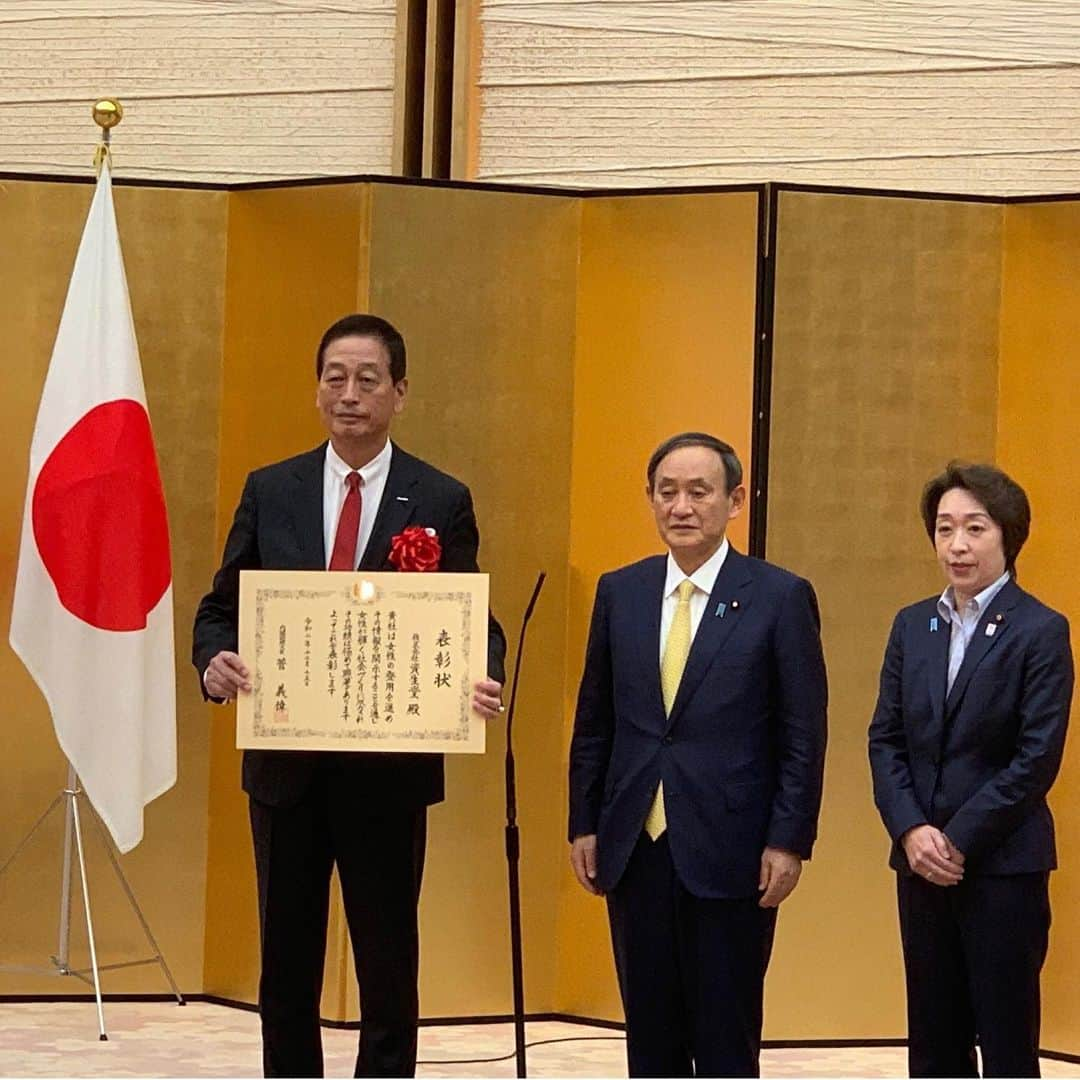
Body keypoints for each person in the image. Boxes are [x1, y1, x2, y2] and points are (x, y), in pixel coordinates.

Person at [192, 313, 507, 1078]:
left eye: (368, 379)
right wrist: (214, 662)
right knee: (286, 966)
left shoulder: (440, 496)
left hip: (387, 774)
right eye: (335, 377)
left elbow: (473, 617)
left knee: (389, 966)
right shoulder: (272, 489)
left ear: (400, 392)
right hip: (285, 772)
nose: (350, 394)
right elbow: (218, 608)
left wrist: (483, 671)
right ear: (317, 389)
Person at [567, 432, 828, 1078]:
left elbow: (802, 733)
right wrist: (585, 822)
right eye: (667, 492)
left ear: (735, 500)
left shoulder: (778, 596)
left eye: (699, 492)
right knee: (648, 1042)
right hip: (636, 847)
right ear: (651, 500)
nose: (681, 506)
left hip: (732, 852)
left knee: (724, 1040)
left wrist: (789, 838)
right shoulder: (619, 593)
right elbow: (595, 720)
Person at [868, 461, 1072, 1078]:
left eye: (975, 528)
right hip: (920, 865)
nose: (957, 545)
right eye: (945, 528)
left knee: (1008, 1043)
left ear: (1008, 535)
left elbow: (1035, 758)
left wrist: (954, 840)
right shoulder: (912, 624)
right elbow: (886, 740)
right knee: (933, 1040)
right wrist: (911, 831)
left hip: (1002, 866)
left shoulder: (1040, 629)